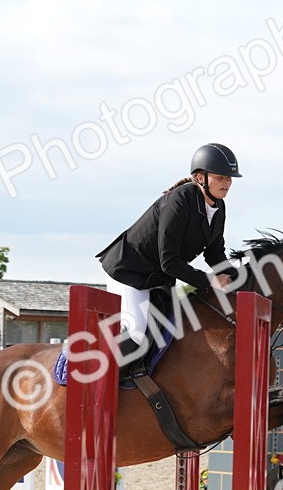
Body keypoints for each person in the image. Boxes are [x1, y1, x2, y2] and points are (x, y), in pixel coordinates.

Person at [96, 143, 239, 376]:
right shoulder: (179, 201)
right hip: (128, 272)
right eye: (221, 177)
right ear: (200, 178)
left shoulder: (218, 207)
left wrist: (241, 277)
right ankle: (96, 383)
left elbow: (214, 255)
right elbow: (169, 261)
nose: (227, 183)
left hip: (157, 278)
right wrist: (211, 281)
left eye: (230, 178)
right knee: (137, 333)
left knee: (173, 331)